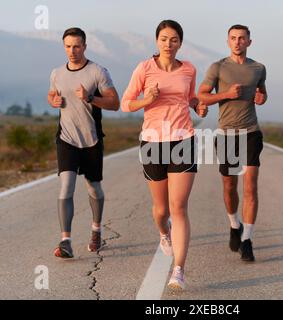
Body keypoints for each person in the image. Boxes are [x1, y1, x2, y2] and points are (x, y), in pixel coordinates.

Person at [121, 20, 207, 290]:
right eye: (163, 39)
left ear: (180, 42)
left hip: (183, 140)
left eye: (173, 39)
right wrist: (147, 100)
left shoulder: (189, 68)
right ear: (156, 41)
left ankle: (179, 270)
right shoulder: (144, 68)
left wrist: (197, 106)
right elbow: (126, 104)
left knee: (178, 208)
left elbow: (190, 97)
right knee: (161, 210)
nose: (168, 44)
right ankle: (163, 232)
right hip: (152, 142)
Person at [47, 27, 120, 259]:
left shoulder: (98, 71)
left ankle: (96, 229)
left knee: (93, 188)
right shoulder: (57, 73)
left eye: (77, 46)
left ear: (85, 47)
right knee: (66, 185)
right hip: (66, 139)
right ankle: (65, 241)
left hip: (91, 140)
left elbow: (114, 103)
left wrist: (90, 98)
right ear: (63, 47)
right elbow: (52, 94)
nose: (72, 51)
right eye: (68, 46)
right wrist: (54, 100)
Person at [198, 24, 267, 262]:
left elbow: (262, 93)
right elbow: (202, 95)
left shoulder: (258, 68)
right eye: (233, 38)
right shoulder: (218, 67)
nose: (237, 42)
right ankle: (233, 224)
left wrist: (262, 97)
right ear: (228, 41)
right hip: (226, 134)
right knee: (229, 186)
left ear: (249, 42)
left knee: (251, 187)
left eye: (242, 38)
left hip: (251, 132)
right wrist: (226, 95)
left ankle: (247, 240)